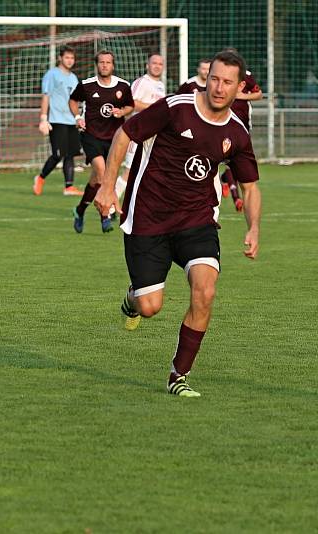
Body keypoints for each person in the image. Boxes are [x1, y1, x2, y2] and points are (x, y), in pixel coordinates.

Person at [94, 49, 261, 397]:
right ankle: (133, 299)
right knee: (150, 307)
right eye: (214, 78)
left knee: (206, 291)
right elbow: (125, 134)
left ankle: (178, 375)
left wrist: (254, 227)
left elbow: (250, 184)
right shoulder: (176, 107)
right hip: (148, 217)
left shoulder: (237, 132)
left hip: (196, 220)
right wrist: (108, 187)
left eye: (227, 82)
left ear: (239, 87)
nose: (218, 87)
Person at [69, 50, 134, 233]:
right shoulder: (87, 85)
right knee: (103, 172)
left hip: (114, 139)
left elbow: (130, 105)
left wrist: (122, 112)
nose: (104, 65)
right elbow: (73, 101)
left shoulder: (123, 86)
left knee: (97, 179)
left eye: (108, 62)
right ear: (96, 65)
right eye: (101, 62)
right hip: (91, 136)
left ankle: (80, 210)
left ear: (113, 65)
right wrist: (77, 117)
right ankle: (106, 215)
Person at [33, 45, 83, 197]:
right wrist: (43, 118)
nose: (69, 61)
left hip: (71, 120)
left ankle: (69, 187)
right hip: (56, 120)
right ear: (60, 58)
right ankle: (40, 178)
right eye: (67, 57)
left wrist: (79, 117)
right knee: (58, 154)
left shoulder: (73, 78)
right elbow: (46, 96)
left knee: (70, 154)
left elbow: (75, 100)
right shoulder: (52, 74)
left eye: (72, 58)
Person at [115, 53, 166, 198]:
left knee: (151, 172)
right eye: (154, 63)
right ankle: (110, 206)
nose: (157, 66)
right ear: (147, 65)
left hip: (153, 135)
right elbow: (131, 102)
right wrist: (154, 108)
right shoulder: (142, 82)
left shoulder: (160, 86)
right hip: (137, 133)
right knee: (129, 171)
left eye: (160, 64)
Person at [220, 51, 263, 211]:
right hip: (223, 123)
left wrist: (239, 96)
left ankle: (225, 180)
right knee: (230, 161)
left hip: (243, 126)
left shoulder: (246, 76)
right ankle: (236, 197)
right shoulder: (219, 77)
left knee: (234, 163)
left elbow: (259, 94)